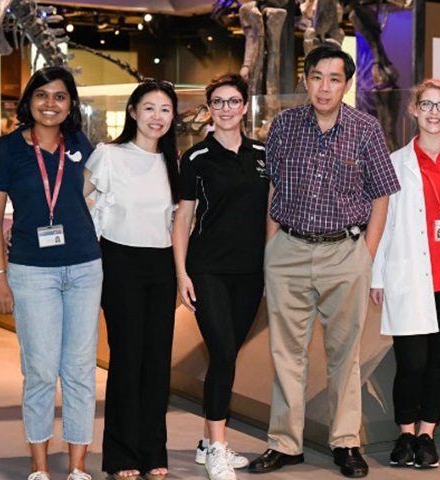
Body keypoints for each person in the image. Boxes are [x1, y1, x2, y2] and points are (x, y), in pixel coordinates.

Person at [247, 44, 400, 479]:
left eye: (335, 78)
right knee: (285, 354)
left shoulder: (366, 129)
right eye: (317, 77)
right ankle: (284, 443)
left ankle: (345, 443)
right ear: (307, 80)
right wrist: (270, 251)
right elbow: (273, 190)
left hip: (344, 252)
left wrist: (365, 256)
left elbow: (381, 195)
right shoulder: (284, 126)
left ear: (347, 85)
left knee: (344, 354)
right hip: (288, 252)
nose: (325, 86)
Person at [0, 66, 101, 480]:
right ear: (29, 100)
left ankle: (78, 468)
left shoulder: (81, 144)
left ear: (71, 105)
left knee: (80, 370)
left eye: (60, 97)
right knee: (39, 369)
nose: (50, 104)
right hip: (31, 272)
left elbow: (96, 195)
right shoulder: (7, 149)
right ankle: (38, 469)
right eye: (42, 95)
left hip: (86, 267)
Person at [369, 79, 440, 469]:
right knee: (410, 361)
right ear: (413, 110)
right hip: (409, 274)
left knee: (437, 361)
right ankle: (404, 433)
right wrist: (377, 276)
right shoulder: (395, 162)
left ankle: (427, 434)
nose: (434, 113)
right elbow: (381, 223)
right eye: (427, 105)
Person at [83, 78, 180, 480]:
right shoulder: (108, 154)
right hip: (120, 262)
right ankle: (121, 454)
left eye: (166, 110)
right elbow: (80, 201)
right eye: (150, 108)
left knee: (157, 362)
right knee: (127, 359)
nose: (157, 117)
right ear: (133, 111)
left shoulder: (173, 162)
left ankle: (153, 450)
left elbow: (177, 222)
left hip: (161, 267)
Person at [174, 73, 268, 480]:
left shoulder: (264, 154)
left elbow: (270, 215)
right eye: (218, 102)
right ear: (209, 108)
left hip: (251, 274)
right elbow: (183, 219)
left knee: (223, 356)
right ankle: (217, 446)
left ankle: (206, 440)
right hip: (207, 269)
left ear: (245, 106)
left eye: (233, 101)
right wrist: (181, 274)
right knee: (225, 353)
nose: (226, 109)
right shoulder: (195, 158)